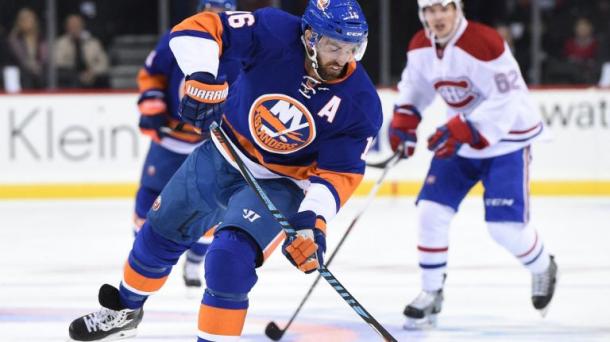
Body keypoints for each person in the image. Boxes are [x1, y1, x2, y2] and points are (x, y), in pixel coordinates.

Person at [68, 0, 380, 341]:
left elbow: (339, 173)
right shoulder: (274, 31)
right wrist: (201, 75)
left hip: (283, 181)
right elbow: (200, 28)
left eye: (352, 48)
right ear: (308, 36)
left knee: (228, 261)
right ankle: (124, 310)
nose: (342, 58)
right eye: (334, 46)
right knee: (158, 233)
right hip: (224, 149)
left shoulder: (360, 102)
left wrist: (312, 222)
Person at [389, 0, 558, 330]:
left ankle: (542, 267)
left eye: (442, 9)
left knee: (504, 230)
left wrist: (464, 127)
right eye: (429, 11)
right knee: (431, 212)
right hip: (462, 139)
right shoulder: (420, 46)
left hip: (507, 138)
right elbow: (415, 85)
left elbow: (507, 99)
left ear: (457, 8)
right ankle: (431, 291)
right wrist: (404, 120)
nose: (436, 17)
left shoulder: (486, 42)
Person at [134, 0, 240, 289]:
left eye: (224, 10)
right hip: (171, 141)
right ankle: (143, 254)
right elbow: (152, 74)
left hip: (212, 146)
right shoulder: (180, 37)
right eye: (211, 8)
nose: (217, 15)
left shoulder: (243, 47)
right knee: (148, 198)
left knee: (210, 207)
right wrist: (153, 108)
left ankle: (194, 261)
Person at [54, 14, 109, 88]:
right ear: (67, 27)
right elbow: (58, 62)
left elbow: (104, 63)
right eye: (72, 25)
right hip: (71, 77)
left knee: (103, 78)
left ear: (82, 26)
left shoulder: (93, 43)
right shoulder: (61, 43)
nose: (74, 28)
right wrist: (77, 75)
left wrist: (92, 72)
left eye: (77, 25)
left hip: (92, 76)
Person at [6, 8, 47, 89]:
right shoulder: (15, 39)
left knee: (46, 75)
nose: (27, 22)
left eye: (29, 19)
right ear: (19, 22)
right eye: (24, 19)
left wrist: (38, 67)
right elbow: (20, 57)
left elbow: (45, 57)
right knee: (26, 75)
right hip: (22, 70)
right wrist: (32, 67)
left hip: (40, 70)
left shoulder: (41, 39)